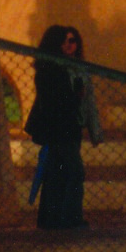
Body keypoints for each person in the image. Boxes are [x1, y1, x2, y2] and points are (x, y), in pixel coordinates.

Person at [26, 24, 101, 229]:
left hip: (72, 126)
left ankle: (51, 218)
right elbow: (56, 100)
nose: (69, 45)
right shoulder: (49, 69)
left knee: (57, 172)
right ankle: (70, 217)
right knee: (74, 171)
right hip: (58, 128)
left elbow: (89, 102)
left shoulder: (79, 69)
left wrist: (94, 130)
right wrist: (74, 95)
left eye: (73, 40)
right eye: (64, 41)